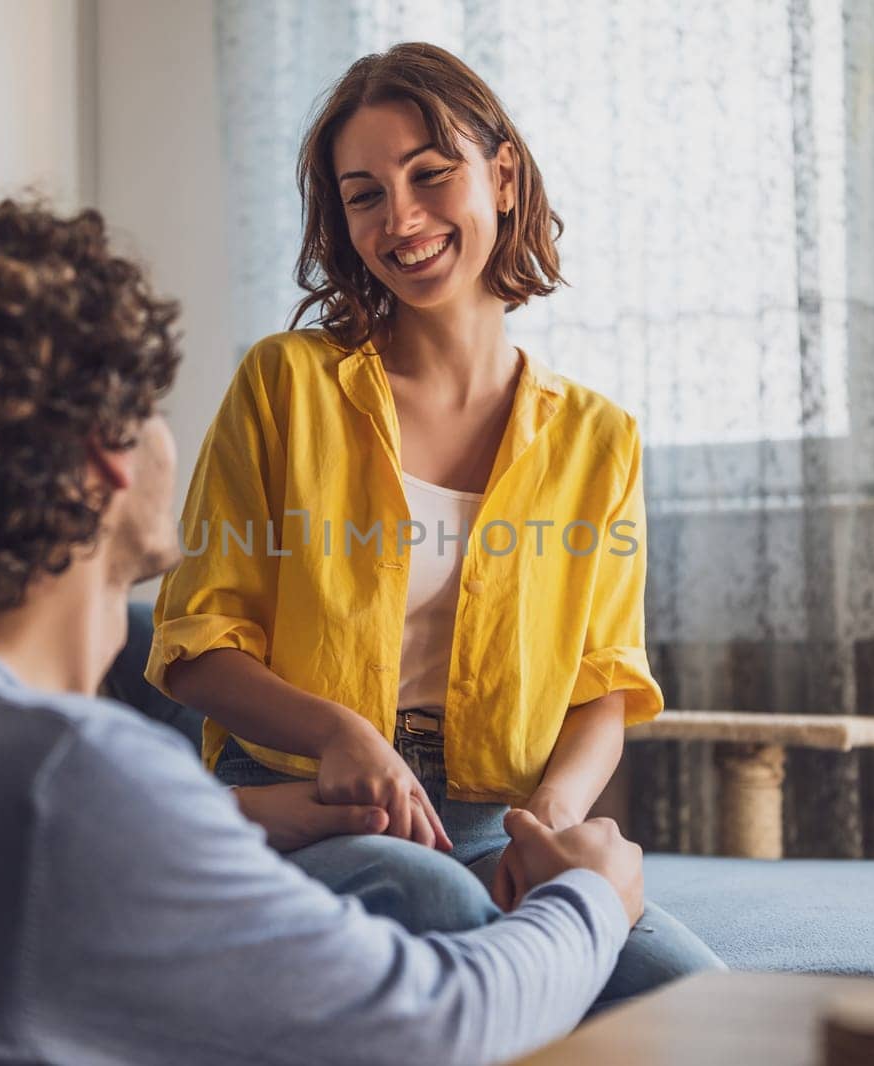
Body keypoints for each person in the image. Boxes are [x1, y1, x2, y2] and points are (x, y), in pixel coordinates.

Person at [0, 197, 648, 1066]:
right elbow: (437, 1025)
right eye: (149, 404)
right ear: (103, 459)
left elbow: (94, 855)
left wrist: (266, 815)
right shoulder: (73, 772)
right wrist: (593, 900)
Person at [141, 42, 723, 1002]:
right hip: (312, 809)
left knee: (696, 999)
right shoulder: (283, 385)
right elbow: (195, 641)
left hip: (495, 825)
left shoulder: (598, 438)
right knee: (438, 909)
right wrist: (338, 734)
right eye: (364, 194)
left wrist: (554, 821)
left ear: (501, 175)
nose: (400, 219)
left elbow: (605, 684)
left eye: (429, 174)